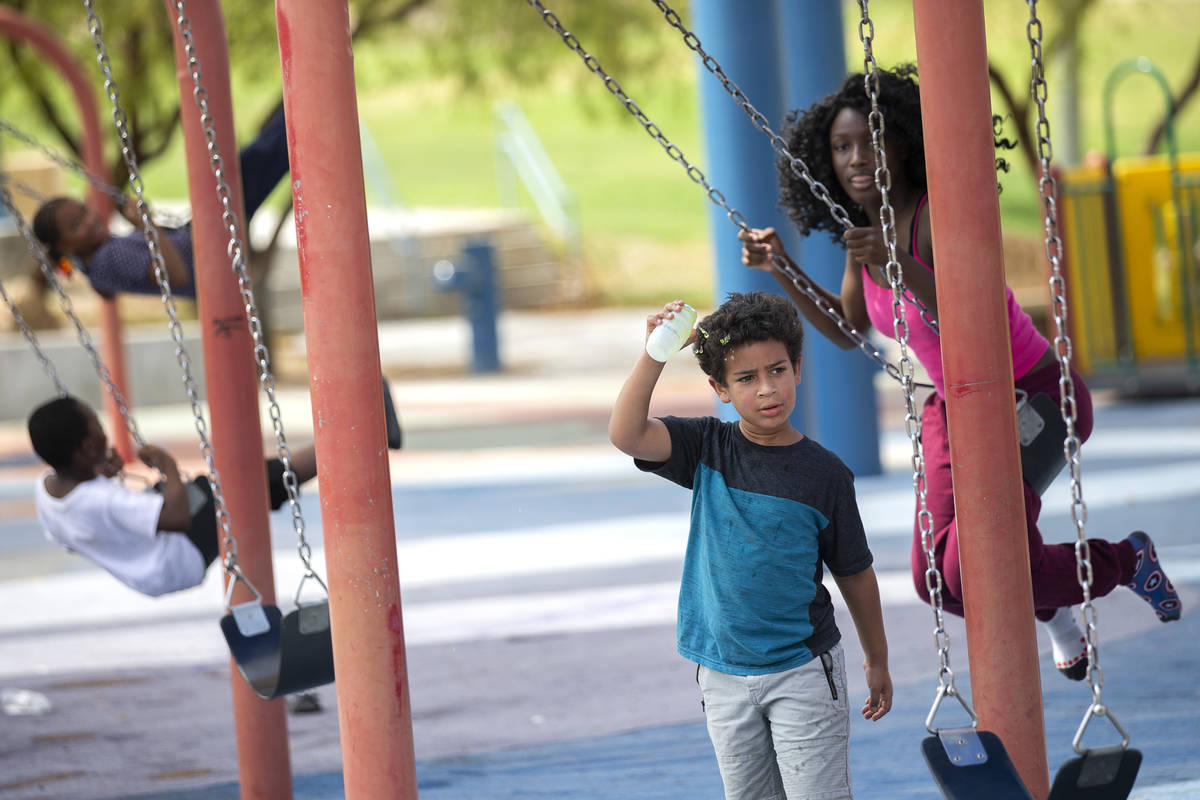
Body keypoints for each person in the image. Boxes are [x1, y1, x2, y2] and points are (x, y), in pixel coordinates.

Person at [737, 65, 1181, 682]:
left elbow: (968, 309)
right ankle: (1058, 611)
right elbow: (846, 332)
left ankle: (1123, 561)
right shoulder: (861, 238)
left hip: (1035, 399)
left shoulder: (935, 214)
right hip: (952, 409)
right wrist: (781, 267)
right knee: (933, 581)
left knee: (974, 565)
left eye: (873, 140)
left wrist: (897, 267)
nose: (857, 157)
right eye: (842, 147)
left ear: (906, 144)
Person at [610, 292, 892, 800]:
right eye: (745, 379)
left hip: (803, 671)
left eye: (778, 370)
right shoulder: (705, 448)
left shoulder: (825, 475)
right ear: (719, 388)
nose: (767, 389)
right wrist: (655, 353)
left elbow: (854, 572)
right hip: (721, 672)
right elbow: (627, 434)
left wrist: (878, 657)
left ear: (798, 369)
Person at [27, 395, 318, 597]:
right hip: (178, 560)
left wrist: (97, 474)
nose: (105, 433)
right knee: (244, 487)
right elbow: (177, 519)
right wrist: (170, 468)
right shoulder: (103, 501)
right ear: (89, 447)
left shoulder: (48, 489)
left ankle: (306, 463)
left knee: (219, 490)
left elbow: (72, 535)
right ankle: (332, 446)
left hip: (147, 571)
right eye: (99, 428)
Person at [31, 107, 290, 299]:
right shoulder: (108, 256)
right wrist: (147, 224)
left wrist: (67, 262)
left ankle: (291, 116)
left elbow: (104, 291)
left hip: (208, 247)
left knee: (252, 163)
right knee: (251, 164)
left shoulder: (91, 264)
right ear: (64, 244)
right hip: (213, 247)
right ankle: (298, 111)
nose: (90, 220)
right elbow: (175, 276)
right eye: (76, 224)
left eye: (84, 212)